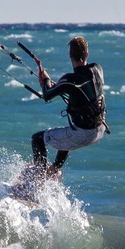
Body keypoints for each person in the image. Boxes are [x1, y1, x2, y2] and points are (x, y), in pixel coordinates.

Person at [30, 35, 106, 175]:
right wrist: (59, 87)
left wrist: (46, 80)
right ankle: (54, 169)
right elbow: (84, 88)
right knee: (65, 135)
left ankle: (38, 180)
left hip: (83, 134)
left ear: (70, 55)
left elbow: (47, 95)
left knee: (37, 139)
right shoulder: (98, 69)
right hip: (99, 129)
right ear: (87, 54)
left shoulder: (70, 80)